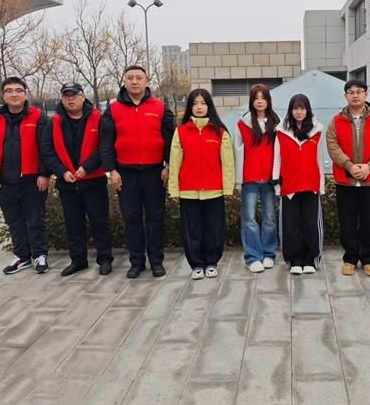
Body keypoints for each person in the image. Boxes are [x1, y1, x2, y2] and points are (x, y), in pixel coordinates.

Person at [100, 65, 176, 279]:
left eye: (139, 78)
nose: (134, 82)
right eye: (130, 78)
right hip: (125, 174)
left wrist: (168, 165)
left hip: (154, 173)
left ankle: (156, 261)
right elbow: (105, 143)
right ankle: (136, 262)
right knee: (131, 219)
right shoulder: (113, 110)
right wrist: (111, 171)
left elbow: (171, 140)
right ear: (124, 82)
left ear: (147, 81)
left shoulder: (160, 107)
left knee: (155, 219)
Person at [0, 77, 51, 274]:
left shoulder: (38, 117)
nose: (14, 94)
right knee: (14, 221)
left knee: (36, 220)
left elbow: (47, 148)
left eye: (18, 90)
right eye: (9, 90)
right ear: (3, 95)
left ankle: (39, 255)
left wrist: (44, 173)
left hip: (33, 180)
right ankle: (22, 257)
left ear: (25, 94)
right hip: (5, 181)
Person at [41, 83, 113, 276]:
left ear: (83, 97)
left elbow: (104, 147)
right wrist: (62, 171)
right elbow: (47, 151)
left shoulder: (98, 118)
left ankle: (105, 259)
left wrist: (87, 167)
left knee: (100, 223)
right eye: (66, 96)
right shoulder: (54, 122)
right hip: (67, 183)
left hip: (93, 181)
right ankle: (78, 260)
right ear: (62, 99)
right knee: (73, 224)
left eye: (74, 95)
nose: (70, 99)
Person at [326, 79, 370, 277]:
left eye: (359, 91)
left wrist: (369, 165)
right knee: (347, 221)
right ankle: (350, 259)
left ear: (366, 94)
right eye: (351, 92)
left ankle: (368, 259)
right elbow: (332, 145)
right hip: (345, 180)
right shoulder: (336, 121)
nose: (355, 95)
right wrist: (349, 165)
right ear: (345, 96)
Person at [169, 89, 234, 280]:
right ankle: (196, 264)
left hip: (214, 191)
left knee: (213, 229)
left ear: (209, 106)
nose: (199, 107)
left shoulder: (220, 132)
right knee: (192, 230)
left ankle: (211, 262)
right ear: (190, 106)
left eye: (203, 103)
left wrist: (228, 188)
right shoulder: (181, 132)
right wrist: (174, 190)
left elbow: (228, 163)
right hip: (188, 191)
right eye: (195, 103)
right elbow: (174, 163)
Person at [273, 94, 325, 275]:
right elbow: (277, 159)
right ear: (291, 111)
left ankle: (311, 259)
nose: (299, 112)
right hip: (289, 186)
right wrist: (277, 184)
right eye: (295, 108)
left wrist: (321, 185)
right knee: (291, 226)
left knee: (311, 225)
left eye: (302, 108)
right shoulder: (281, 131)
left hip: (311, 186)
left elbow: (319, 159)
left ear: (307, 110)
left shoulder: (317, 131)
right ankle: (294, 260)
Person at [234, 84, 280, 273]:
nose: (259, 101)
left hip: (270, 179)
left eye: (263, 97)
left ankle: (269, 253)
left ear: (268, 100)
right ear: (251, 101)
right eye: (256, 98)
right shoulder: (243, 124)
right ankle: (252, 257)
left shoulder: (278, 123)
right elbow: (238, 151)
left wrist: (279, 176)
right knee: (249, 220)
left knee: (270, 218)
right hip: (250, 179)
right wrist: (239, 179)